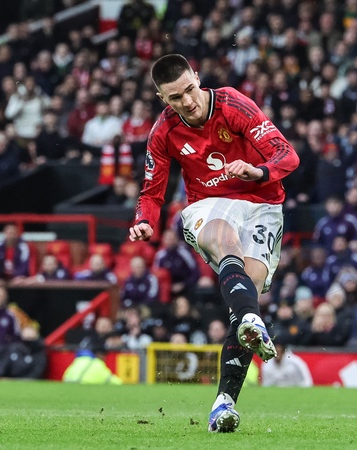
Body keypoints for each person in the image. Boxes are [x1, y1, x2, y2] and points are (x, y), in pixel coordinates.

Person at [128, 54, 299, 432]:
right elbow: (151, 193)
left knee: (247, 294)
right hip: (209, 205)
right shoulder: (163, 131)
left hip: (263, 204)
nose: (187, 101)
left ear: (197, 77)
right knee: (224, 240)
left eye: (189, 90)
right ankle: (251, 318)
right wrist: (144, 221)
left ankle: (224, 403)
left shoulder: (233, 105)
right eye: (175, 97)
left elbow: (287, 155)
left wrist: (258, 171)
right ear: (162, 98)